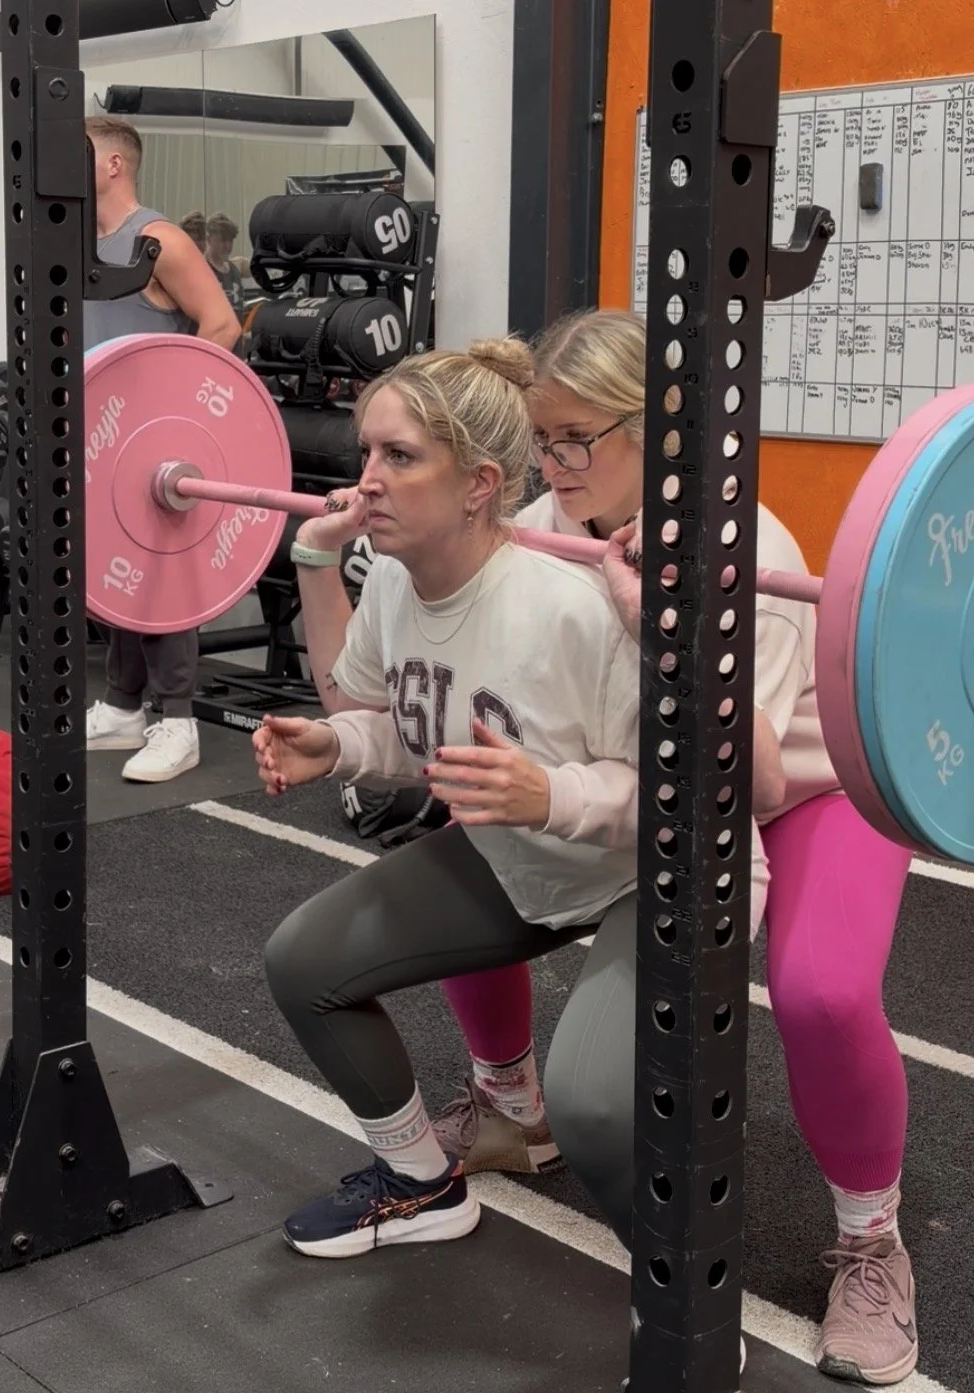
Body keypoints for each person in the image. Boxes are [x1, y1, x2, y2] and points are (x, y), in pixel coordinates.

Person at [287, 309, 917, 1390]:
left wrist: (661, 626)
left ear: (659, 431)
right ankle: (508, 1107)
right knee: (478, 816)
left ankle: (872, 1244)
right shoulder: (542, 528)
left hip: (805, 782)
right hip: (656, 786)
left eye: (577, 439)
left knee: (820, 994)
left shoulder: (746, 549)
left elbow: (755, 781)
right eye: (542, 438)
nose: (553, 463)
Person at [254, 338, 782, 1286]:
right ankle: (420, 1184)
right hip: (529, 856)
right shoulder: (396, 583)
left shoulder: (575, 605)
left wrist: (551, 795)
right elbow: (407, 727)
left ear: (479, 486)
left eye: (399, 456)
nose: (367, 480)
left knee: (591, 1108)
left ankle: (689, 1309)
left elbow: (701, 795)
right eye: (367, 452)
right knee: (305, 961)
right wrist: (335, 746)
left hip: (665, 869)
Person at [82, 118, 240, 783]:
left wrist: (176, 409)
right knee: (114, 569)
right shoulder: (78, 243)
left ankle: (178, 721)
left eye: (79, 153)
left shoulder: (158, 239)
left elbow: (222, 324)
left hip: (157, 439)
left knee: (163, 572)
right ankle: (124, 706)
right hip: (105, 435)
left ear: (114, 164)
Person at [204, 212, 247, 324]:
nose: (228, 246)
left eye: (230, 240)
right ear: (209, 239)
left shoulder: (235, 269)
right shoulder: (201, 270)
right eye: (223, 240)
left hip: (236, 332)